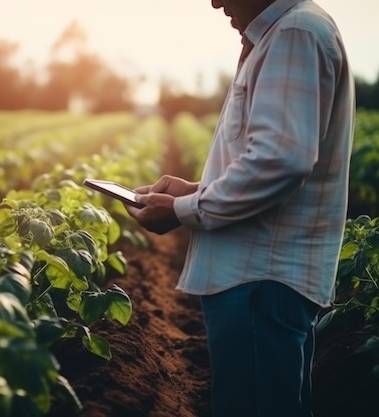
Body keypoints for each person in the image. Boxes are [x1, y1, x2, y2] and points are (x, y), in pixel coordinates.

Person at [124, 0, 355, 416]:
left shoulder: (294, 33)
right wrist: (195, 190)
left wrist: (183, 210)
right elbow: (272, 159)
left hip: (259, 281)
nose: (215, 2)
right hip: (262, 282)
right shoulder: (287, 32)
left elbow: (280, 161)